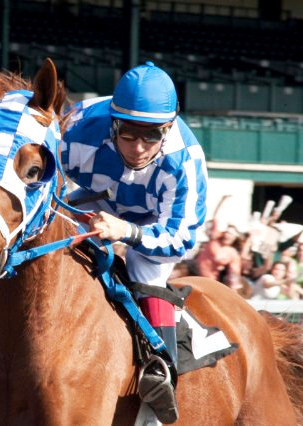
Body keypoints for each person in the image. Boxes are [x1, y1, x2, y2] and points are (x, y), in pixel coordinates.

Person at [61, 61, 208, 424]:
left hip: (159, 227)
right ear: (113, 122)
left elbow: (180, 240)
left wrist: (127, 232)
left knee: (146, 270)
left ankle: (160, 378)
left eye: (152, 136)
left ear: (169, 128)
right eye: (127, 134)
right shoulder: (75, 127)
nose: (139, 147)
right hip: (94, 198)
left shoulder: (184, 161)